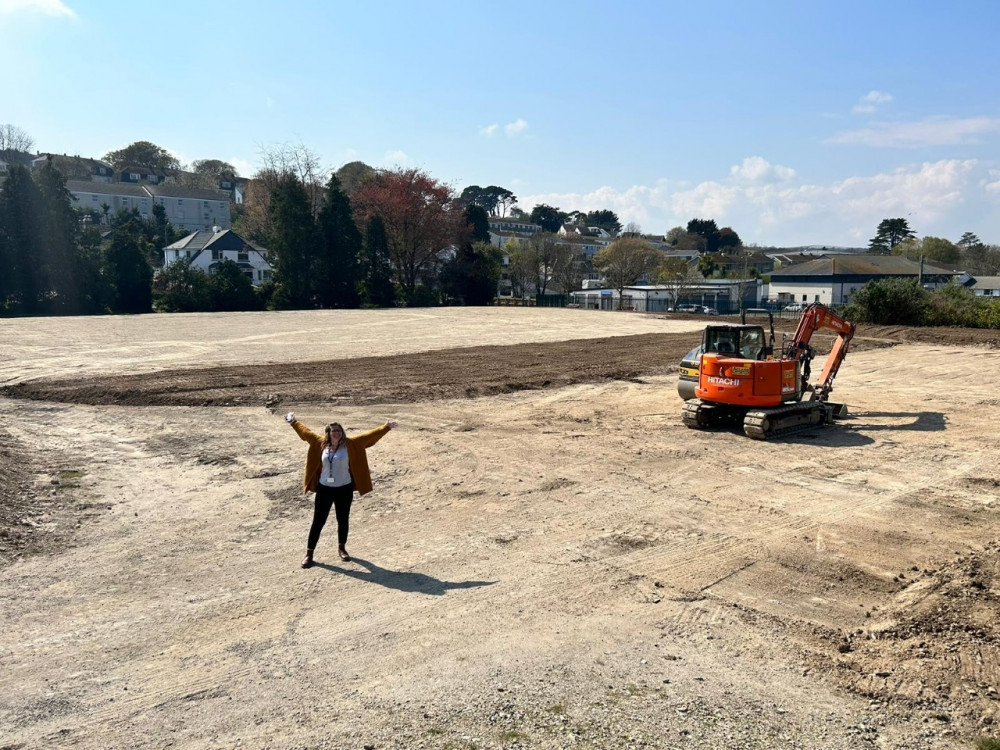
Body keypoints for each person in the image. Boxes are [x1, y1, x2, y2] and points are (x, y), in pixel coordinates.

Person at [284, 412, 397, 568]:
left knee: (342, 519)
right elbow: (305, 433)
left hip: (344, 489)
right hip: (325, 489)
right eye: (333, 430)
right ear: (328, 433)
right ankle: (309, 553)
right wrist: (293, 422)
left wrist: (386, 427)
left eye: (339, 430)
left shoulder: (351, 444)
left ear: (342, 432)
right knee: (318, 521)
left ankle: (342, 548)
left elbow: (369, 436)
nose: (336, 433)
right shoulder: (319, 443)